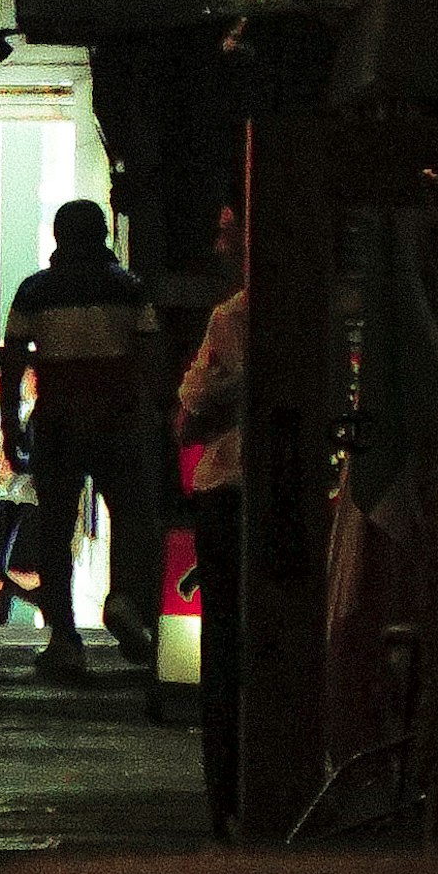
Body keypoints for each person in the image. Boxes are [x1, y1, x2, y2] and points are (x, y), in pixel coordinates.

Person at [0, 195, 172, 682]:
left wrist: (12, 427)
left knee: (55, 530)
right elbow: (152, 356)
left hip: (58, 424)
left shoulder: (34, 291)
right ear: (103, 236)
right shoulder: (129, 289)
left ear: (57, 237)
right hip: (120, 422)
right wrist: (162, 411)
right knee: (133, 519)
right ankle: (124, 602)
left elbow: (12, 364)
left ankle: (64, 639)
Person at [177, 197, 250, 835]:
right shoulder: (323, 308)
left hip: (230, 493)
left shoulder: (233, 319)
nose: (219, 246)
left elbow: (188, 421)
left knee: (224, 645)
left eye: (229, 232)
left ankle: (225, 793)